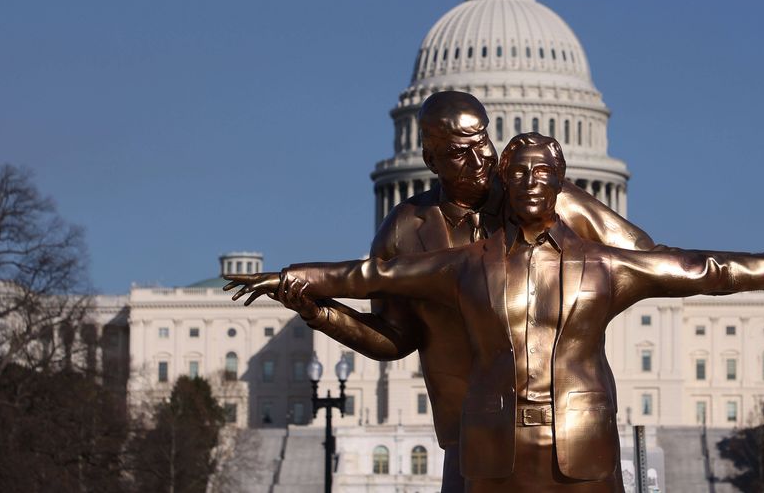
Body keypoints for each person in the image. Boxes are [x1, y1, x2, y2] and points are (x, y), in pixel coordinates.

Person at [227, 134, 764, 491]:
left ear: (562, 185)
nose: (527, 182)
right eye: (516, 172)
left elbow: (697, 269)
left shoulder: (607, 264)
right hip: (492, 436)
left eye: (540, 173)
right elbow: (372, 274)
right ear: (503, 179)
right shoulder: (466, 265)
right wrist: (295, 280)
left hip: (581, 436)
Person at [229, 91, 655, 492]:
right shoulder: (405, 230)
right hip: (472, 430)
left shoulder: (547, 201)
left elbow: (643, 260)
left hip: (565, 425)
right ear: (430, 159)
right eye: (458, 152)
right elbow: (395, 337)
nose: (480, 159)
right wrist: (321, 314)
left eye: (484, 141)